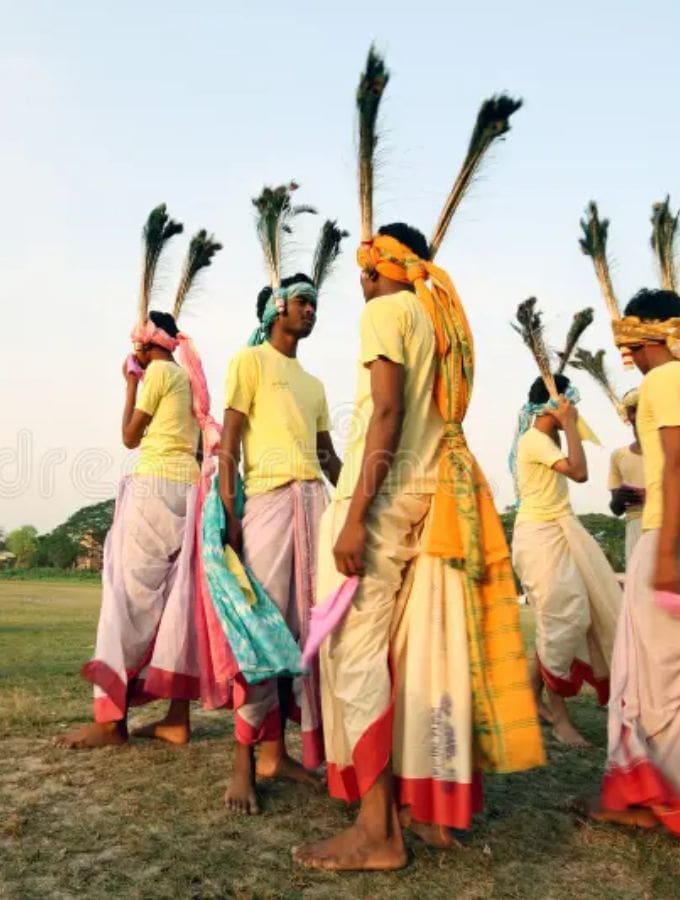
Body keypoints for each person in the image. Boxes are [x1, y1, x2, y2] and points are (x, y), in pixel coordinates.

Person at [294, 226, 543, 870]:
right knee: (407, 648)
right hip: (423, 499)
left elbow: (386, 414)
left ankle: (377, 833)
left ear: (380, 267)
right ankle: (415, 807)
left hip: (378, 499)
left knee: (352, 653)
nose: (361, 277)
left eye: (365, 265)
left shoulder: (386, 310)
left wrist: (353, 516)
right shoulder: (440, 318)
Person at [219, 273, 342, 815]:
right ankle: (243, 765)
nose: (311, 310)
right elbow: (227, 449)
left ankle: (278, 755)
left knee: (305, 633)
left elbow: (328, 458)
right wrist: (228, 510)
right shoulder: (248, 363)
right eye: (302, 301)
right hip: (266, 505)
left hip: (314, 506)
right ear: (274, 309)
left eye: (316, 303)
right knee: (262, 630)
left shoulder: (314, 384)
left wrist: (367, 495)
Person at [56, 311, 204, 749]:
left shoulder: (158, 374)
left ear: (143, 343)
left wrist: (130, 383)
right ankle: (176, 719)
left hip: (155, 487)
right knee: (179, 604)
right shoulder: (190, 377)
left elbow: (129, 437)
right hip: (189, 489)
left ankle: (111, 724)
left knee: (127, 599)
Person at [590, 287, 680, 839]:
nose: (622, 343)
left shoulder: (666, 379)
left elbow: (678, 462)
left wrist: (669, 552)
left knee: (652, 677)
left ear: (649, 330)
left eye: (629, 330)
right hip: (675, 535)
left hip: (671, 539)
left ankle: (656, 801)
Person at [510, 373, 622, 748]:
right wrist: (569, 422)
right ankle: (559, 719)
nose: (576, 411)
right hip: (540, 536)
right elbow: (580, 471)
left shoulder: (546, 437)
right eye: (570, 403)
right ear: (556, 405)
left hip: (559, 532)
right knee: (563, 618)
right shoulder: (534, 440)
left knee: (568, 616)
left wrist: (564, 422)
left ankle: (528, 695)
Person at [608, 389, 645, 565]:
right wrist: (620, 499)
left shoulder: (672, 450)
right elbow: (616, 509)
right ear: (628, 416)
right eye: (632, 410)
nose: (637, 415)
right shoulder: (619, 456)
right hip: (636, 528)